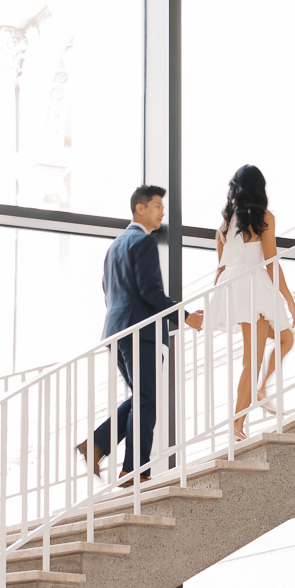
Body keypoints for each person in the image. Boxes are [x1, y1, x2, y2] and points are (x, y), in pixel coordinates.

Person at [185, 165, 295, 439]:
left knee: (285, 339)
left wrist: (214, 304)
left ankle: (260, 391)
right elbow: (272, 264)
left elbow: (222, 269)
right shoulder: (264, 219)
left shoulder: (224, 225)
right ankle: (237, 423)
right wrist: (290, 301)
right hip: (251, 288)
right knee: (253, 358)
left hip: (234, 289)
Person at [82, 184, 178, 480]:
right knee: (147, 399)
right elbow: (151, 292)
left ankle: (97, 444)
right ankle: (134, 468)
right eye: (158, 206)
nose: (163, 211)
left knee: (142, 397)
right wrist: (184, 316)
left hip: (116, 332)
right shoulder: (144, 242)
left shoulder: (114, 247)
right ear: (140, 208)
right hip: (142, 332)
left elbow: (108, 293)